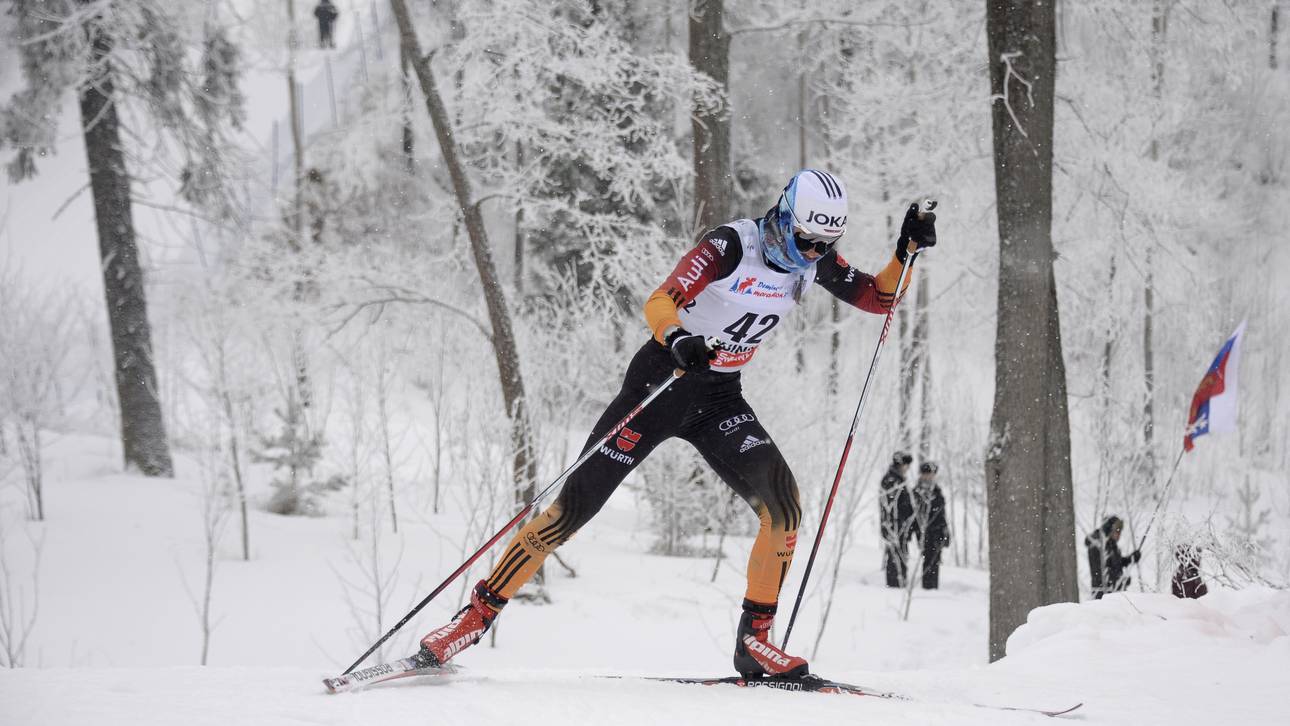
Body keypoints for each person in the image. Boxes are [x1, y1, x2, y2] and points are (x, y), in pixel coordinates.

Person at [414, 169, 937, 679]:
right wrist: (678, 337)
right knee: (571, 510)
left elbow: (876, 298)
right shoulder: (732, 245)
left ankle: (755, 643)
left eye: (826, 244)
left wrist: (904, 250)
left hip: (718, 398)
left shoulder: (809, 260)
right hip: (661, 383)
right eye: (806, 239)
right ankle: (472, 620)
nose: (814, 254)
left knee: (784, 508)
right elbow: (660, 299)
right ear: (782, 215)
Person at [910, 461, 949, 589]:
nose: (930, 477)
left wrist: (945, 531)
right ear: (922, 474)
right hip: (925, 531)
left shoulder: (937, 491)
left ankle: (933, 588)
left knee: (935, 561)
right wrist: (917, 531)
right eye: (927, 474)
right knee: (928, 560)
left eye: (932, 474)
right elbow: (914, 514)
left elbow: (942, 513)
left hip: (937, 532)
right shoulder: (917, 492)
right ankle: (928, 588)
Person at [879, 451, 915, 588]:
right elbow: (890, 507)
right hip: (894, 527)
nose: (908, 468)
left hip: (900, 526)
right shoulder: (892, 480)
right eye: (906, 465)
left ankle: (900, 582)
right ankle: (895, 584)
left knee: (900, 556)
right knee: (895, 557)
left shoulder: (898, 480)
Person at [1085, 515, 1140, 599]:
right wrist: (1119, 582)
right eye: (1117, 531)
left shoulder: (1111, 545)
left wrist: (1131, 558)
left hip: (1114, 594)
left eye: (1120, 532)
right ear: (1109, 530)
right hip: (1103, 595)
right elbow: (1102, 572)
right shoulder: (1097, 546)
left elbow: (1117, 563)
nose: (1119, 534)